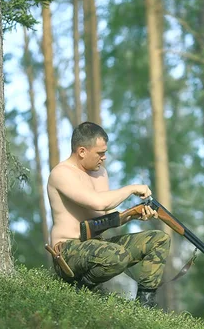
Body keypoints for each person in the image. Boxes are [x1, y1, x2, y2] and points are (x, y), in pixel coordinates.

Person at [46, 121, 170, 308]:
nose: (104, 158)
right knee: (118, 255)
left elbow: (108, 215)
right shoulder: (61, 174)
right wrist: (132, 188)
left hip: (98, 247)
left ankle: (145, 307)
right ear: (81, 151)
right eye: (100, 153)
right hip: (68, 251)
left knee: (159, 239)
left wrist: (134, 214)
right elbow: (98, 202)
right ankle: (80, 290)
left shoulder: (100, 173)